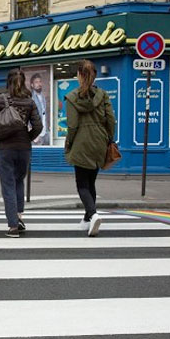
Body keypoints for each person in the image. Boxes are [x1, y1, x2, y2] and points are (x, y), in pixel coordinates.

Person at [0, 68, 42, 238]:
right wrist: (27, 138)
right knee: (18, 182)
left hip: (5, 148)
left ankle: (12, 226)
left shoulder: (0, 99)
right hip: (24, 148)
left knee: (8, 185)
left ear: (7, 81)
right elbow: (38, 126)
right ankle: (18, 217)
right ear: (23, 81)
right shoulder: (30, 102)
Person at [64, 59, 115, 237]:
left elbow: (72, 126)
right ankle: (87, 219)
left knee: (82, 184)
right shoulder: (103, 95)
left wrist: (69, 143)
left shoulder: (71, 97)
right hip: (100, 141)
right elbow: (110, 119)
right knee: (91, 181)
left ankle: (93, 214)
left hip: (81, 142)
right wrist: (109, 138)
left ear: (79, 75)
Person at [29, 73, 49, 145]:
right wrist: (34, 136)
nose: (39, 84)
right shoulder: (30, 98)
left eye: (40, 81)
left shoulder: (43, 97)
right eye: (36, 82)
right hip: (36, 135)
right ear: (32, 85)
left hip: (45, 133)